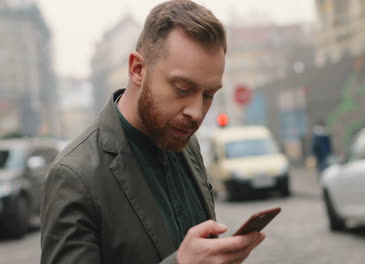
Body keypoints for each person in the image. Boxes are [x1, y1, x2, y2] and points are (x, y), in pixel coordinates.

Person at [40, 1, 265, 263]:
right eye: (182, 88)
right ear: (137, 69)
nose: (196, 111)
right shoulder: (74, 177)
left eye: (208, 95)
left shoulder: (187, 145)